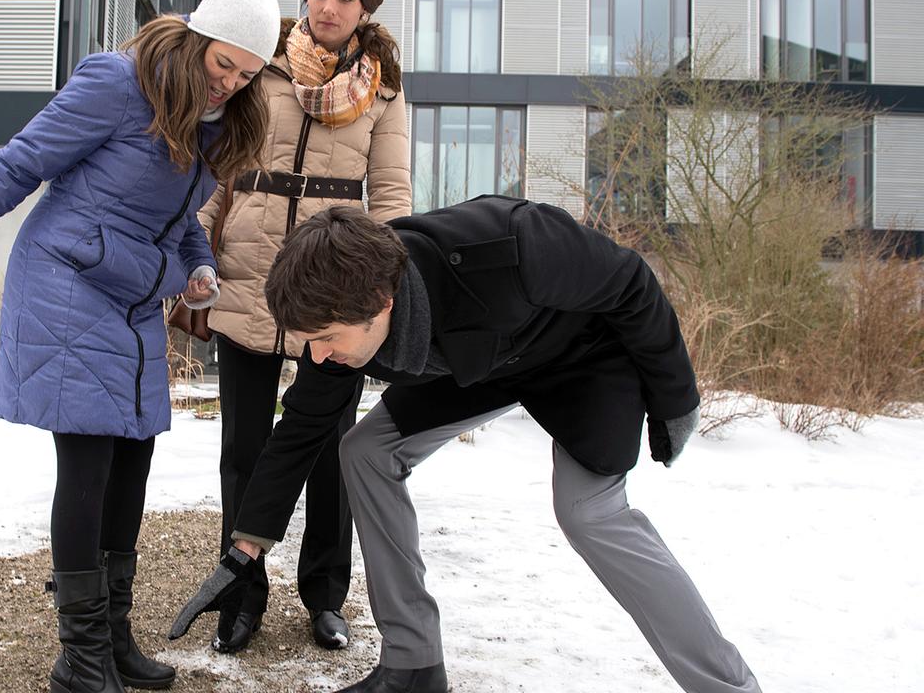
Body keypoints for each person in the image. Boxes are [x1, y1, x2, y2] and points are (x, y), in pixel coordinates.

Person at [173, 198, 762, 693]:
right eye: (309, 343)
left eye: (326, 340)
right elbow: (301, 426)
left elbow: (632, 281)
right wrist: (245, 546)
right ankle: (413, 665)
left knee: (588, 512)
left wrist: (676, 398)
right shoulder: (339, 312)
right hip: (482, 366)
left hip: (584, 357)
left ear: (383, 301)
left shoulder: (514, 247)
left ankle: (726, 686)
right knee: (364, 451)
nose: (319, 355)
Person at [0, 0, 280, 691]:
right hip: (68, 284)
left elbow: (179, 222)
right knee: (87, 462)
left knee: (133, 460)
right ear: (199, 37)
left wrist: (199, 268)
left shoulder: (217, 122)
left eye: (246, 73)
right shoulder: (120, 82)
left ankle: (111, 639)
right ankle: (80, 660)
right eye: (222, 63)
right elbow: (25, 160)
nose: (228, 83)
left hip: (136, 292)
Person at [193, 0, 410, 654]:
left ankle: (324, 595)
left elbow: (393, 190)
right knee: (244, 448)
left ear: (365, 7)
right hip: (249, 271)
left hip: (334, 287)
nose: (329, 8)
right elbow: (221, 164)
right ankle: (242, 594)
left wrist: (390, 288)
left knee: (329, 449)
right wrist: (195, 238)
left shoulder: (385, 87)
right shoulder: (266, 66)